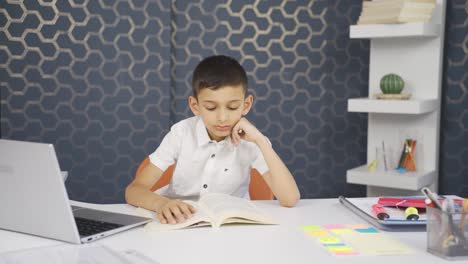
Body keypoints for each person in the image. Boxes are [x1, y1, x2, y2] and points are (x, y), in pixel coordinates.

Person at [125, 55, 300, 225]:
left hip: (230, 227)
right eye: (210, 107)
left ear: (246, 105)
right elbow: (133, 191)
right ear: (195, 106)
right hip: (179, 224)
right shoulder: (181, 133)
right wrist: (161, 204)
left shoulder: (252, 141)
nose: (222, 117)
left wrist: (261, 141)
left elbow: (290, 199)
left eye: (232, 107)